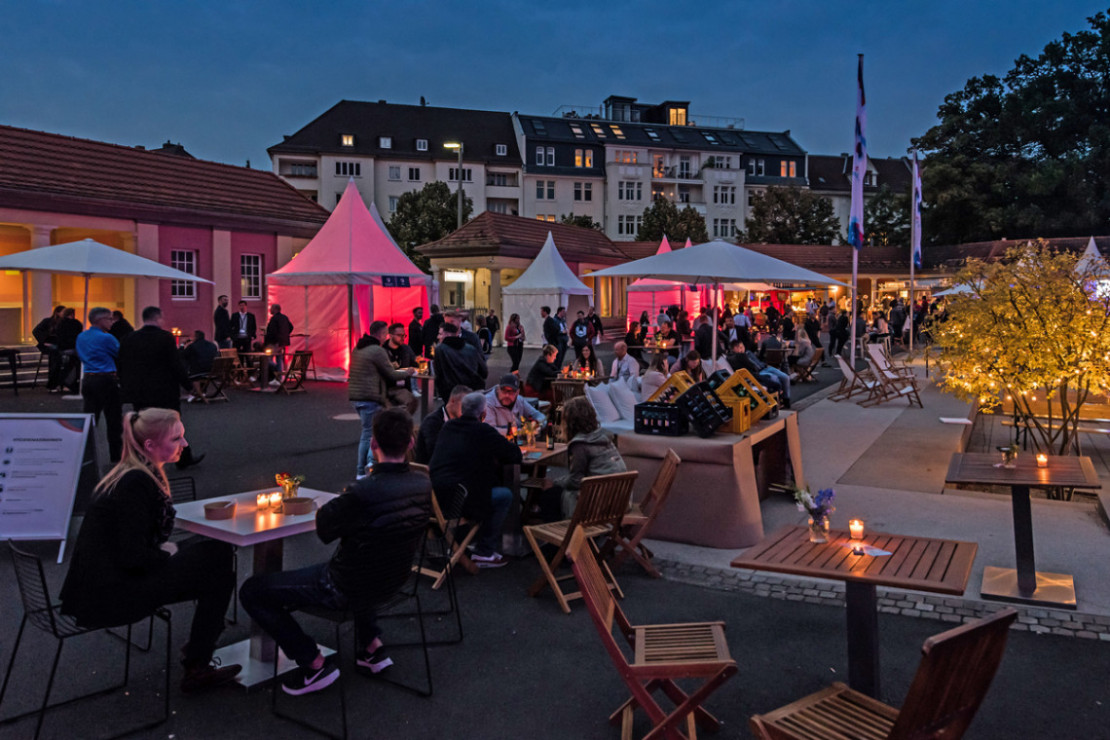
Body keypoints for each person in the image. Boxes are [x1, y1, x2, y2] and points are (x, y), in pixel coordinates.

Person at [240, 407, 431, 696]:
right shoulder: (423, 484)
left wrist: (348, 497)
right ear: (411, 443)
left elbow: (324, 528)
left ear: (373, 444)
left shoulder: (362, 493)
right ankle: (370, 646)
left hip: (344, 587)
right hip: (395, 582)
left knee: (253, 590)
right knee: (372, 560)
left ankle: (312, 663)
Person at [60, 408, 241, 693]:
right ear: (150, 446)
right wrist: (167, 552)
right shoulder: (136, 483)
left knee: (215, 560)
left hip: (99, 585)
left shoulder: (128, 474)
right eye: (176, 439)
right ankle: (197, 661)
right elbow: (134, 557)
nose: (184, 444)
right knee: (217, 560)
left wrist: (169, 551)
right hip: (111, 594)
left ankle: (198, 654)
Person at [430, 392, 521, 567]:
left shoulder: (447, 427)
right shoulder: (483, 431)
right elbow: (514, 455)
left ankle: (476, 541)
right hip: (460, 499)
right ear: (483, 414)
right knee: (504, 495)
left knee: (487, 487)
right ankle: (484, 551)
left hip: (436, 496)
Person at [118, 306, 204, 468]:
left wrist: (126, 387)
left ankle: (142, 459)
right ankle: (182, 458)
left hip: (140, 391)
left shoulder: (129, 338)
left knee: (143, 427)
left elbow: (122, 364)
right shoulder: (165, 338)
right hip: (164, 390)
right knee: (173, 425)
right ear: (158, 318)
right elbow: (175, 365)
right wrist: (188, 385)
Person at [537, 396, 627, 521]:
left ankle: (563, 537)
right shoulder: (603, 437)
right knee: (556, 491)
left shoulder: (580, 445)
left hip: (599, 502)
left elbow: (575, 481)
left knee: (548, 497)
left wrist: (554, 482)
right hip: (619, 499)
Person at [349, 320, 417, 478]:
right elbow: (391, 373)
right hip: (370, 396)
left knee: (368, 432)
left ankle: (366, 468)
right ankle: (365, 470)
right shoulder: (377, 350)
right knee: (370, 434)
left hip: (356, 396)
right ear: (380, 334)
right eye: (386, 332)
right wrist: (408, 372)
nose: (386, 336)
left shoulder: (358, 347)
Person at [76, 307, 123, 462]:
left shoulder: (81, 337)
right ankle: (116, 455)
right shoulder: (107, 338)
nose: (112, 322)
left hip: (88, 379)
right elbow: (119, 354)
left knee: (90, 417)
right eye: (109, 319)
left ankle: (85, 454)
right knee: (113, 419)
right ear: (100, 320)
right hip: (106, 379)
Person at [414, 385, 471, 465]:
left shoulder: (461, 420)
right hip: (431, 469)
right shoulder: (432, 422)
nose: (467, 409)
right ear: (452, 401)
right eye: (464, 405)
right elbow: (435, 452)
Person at [432, 322, 487, 402]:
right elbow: (484, 371)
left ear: (447, 335)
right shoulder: (471, 349)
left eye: (440, 334)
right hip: (471, 390)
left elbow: (439, 374)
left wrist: (442, 392)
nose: (438, 337)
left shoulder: (440, 349)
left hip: (451, 393)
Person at [32, 305, 65, 392]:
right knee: (56, 356)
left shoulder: (64, 323)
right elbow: (36, 331)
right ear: (57, 312)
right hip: (49, 345)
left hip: (59, 345)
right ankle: (53, 384)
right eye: (63, 312)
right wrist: (44, 341)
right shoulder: (48, 321)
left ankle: (63, 382)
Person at [181, 329, 219, 402]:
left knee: (186, 366)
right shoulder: (212, 345)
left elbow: (182, 355)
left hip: (197, 373)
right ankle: (202, 391)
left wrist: (183, 344)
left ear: (195, 337)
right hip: (211, 371)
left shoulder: (192, 346)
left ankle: (194, 392)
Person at [264, 303, 294, 372]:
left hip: (274, 342)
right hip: (283, 342)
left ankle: (276, 372)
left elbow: (272, 331)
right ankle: (279, 376)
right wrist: (285, 335)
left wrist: (268, 341)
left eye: (271, 308)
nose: (270, 310)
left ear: (275, 309)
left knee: (268, 359)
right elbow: (291, 327)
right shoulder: (284, 317)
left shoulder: (274, 319)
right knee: (279, 358)